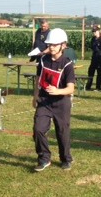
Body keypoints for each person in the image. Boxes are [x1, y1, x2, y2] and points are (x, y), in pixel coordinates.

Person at [32, 28, 76, 172]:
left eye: (54, 44)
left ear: (63, 45)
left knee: (62, 132)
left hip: (61, 103)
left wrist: (58, 91)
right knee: (38, 129)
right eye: (49, 44)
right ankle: (44, 158)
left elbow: (70, 88)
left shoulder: (67, 65)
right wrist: (35, 96)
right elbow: (38, 79)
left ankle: (66, 158)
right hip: (44, 101)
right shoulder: (43, 60)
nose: (51, 47)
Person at [86, 26, 101, 91]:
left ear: (98, 31)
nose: (94, 33)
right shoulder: (93, 39)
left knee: (99, 73)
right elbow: (92, 47)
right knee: (90, 72)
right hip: (94, 57)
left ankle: (98, 87)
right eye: (93, 32)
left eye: (95, 31)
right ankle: (88, 86)